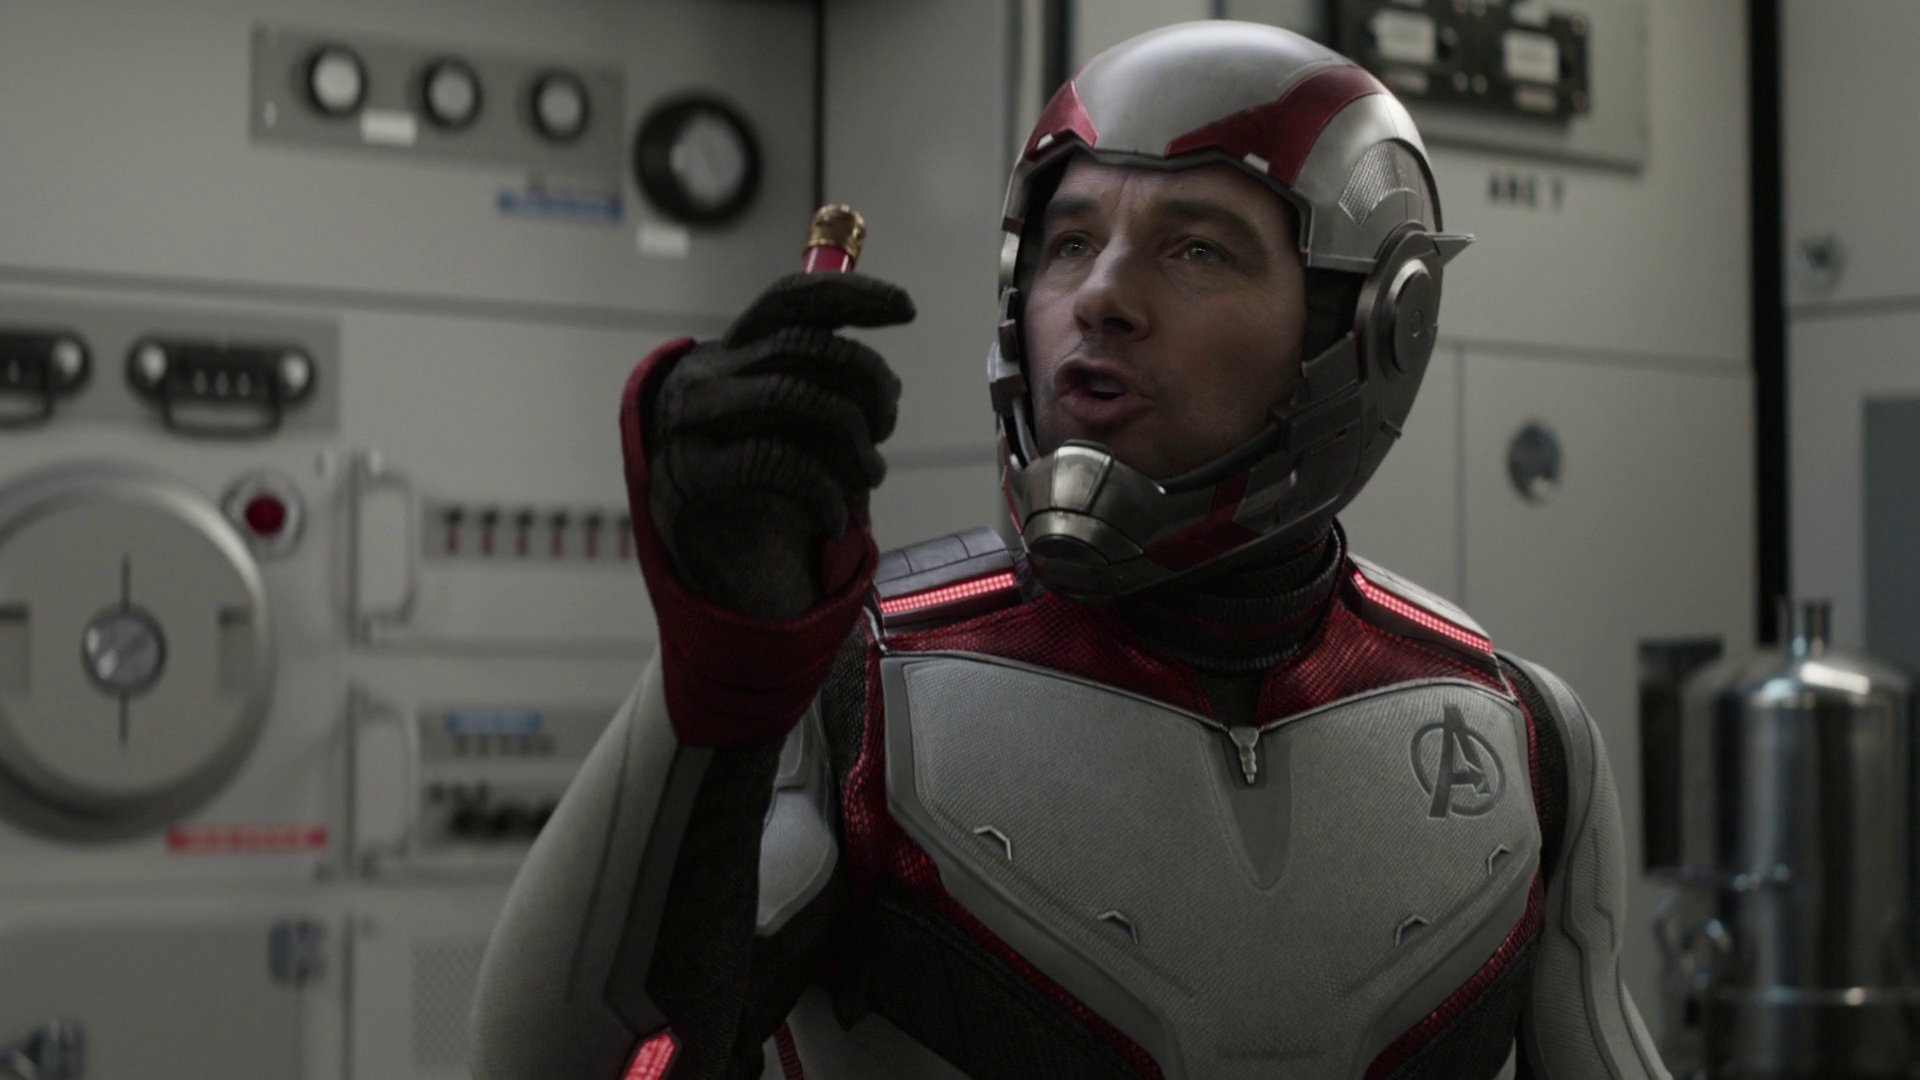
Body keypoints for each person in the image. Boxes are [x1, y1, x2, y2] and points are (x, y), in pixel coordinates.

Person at [471, 20, 1669, 1080]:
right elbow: (579, 1060)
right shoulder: (859, 699)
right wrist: (719, 683)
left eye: (1197, 248)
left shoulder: (1525, 739)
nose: (1101, 297)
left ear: (1369, 323)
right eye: (1068, 243)